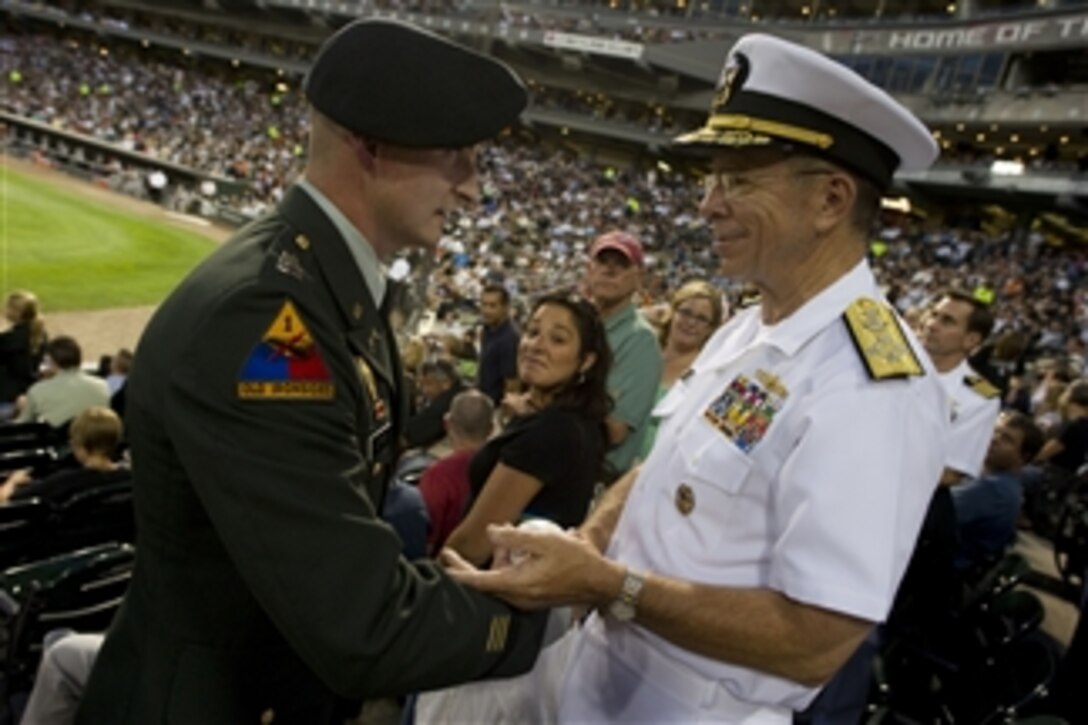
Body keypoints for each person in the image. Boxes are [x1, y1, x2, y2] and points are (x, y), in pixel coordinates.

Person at [443, 33, 948, 723]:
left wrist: (611, 583)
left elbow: (817, 640)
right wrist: (587, 544)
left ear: (831, 199)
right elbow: (664, 464)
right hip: (596, 667)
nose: (707, 203)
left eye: (739, 179)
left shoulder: (874, 384)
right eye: (711, 178)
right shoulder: (751, 324)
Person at [76, 19, 546, 724]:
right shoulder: (266, 316)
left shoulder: (324, 290)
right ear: (370, 142)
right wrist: (536, 608)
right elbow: (363, 625)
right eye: (457, 155)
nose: (473, 189)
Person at [445, 293, 611, 566]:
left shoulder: (551, 432)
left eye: (557, 339)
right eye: (533, 332)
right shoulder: (570, 421)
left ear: (586, 361)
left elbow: (471, 547)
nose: (536, 345)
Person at [584, 231, 663, 478]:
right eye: (602, 263)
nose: (609, 271)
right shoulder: (580, 324)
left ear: (638, 277)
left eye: (621, 265)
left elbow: (614, 430)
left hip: (593, 478)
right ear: (589, 270)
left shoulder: (640, 340)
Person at [919, 290, 1002, 485]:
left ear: (971, 340)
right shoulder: (888, 361)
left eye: (947, 321)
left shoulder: (980, 397)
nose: (931, 325)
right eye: (933, 314)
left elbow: (951, 472)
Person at [951, 411, 1044, 573]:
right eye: (995, 431)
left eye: (1006, 439)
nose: (994, 439)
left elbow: (930, 512)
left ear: (1023, 457)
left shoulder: (994, 488)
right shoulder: (1002, 482)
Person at [641, 279, 724, 456]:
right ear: (672, 311)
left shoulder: (705, 374)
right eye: (686, 312)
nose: (691, 322)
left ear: (711, 329)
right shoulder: (644, 348)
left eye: (702, 319)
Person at [0, 406, 129, 505]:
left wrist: (12, 482)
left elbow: (7, 502)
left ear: (80, 446)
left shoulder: (63, 482)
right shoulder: (131, 479)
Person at [418, 389, 495, 554]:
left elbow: (427, 540)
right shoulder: (503, 470)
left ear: (447, 423)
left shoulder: (437, 476)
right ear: (491, 429)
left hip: (448, 566)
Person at [15, 336, 109, 429]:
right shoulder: (102, 385)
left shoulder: (38, 390)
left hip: (56, 442)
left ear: (50, 361)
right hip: (96, 441)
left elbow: (22, 426)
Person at [403, 358, 465, 452]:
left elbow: (411, 434)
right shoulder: (462, 392)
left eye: (428, 384)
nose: (424, 390)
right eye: (421, 384)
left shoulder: (447, 403)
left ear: (446, 383)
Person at [0, 289, 47, 409]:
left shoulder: (8, 339)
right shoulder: (41, 335)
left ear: (15, 312)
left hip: (8, 398)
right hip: (34, 392)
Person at [1034, 378, 1088, 475]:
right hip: (1069, 478)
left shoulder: (1073, 427)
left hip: (1053, 476)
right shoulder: (1082, 426)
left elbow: (1043, 455)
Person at [477, 283, 520, 405]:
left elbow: (512, 385)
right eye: (484, 304)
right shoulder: (487, 328)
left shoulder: (510, 339)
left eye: (493, 306)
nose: (486, 310)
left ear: (505, 307)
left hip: (494, 407)